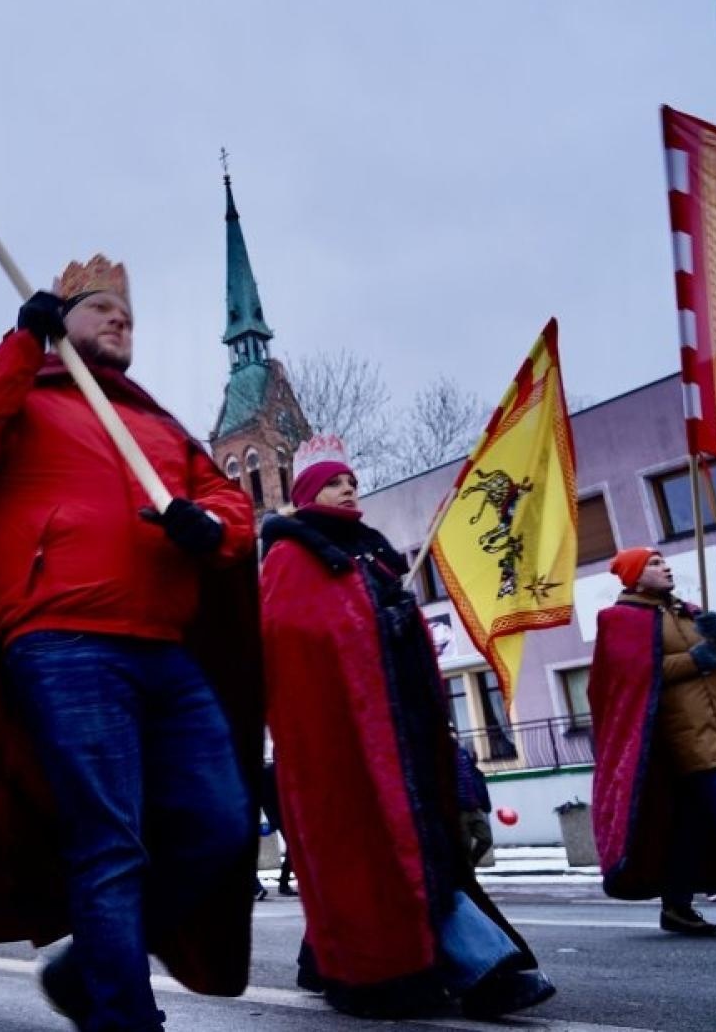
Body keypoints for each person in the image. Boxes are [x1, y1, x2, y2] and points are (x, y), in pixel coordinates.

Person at [0, 255, 263, 1032]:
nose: (119, 322)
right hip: (62, 642)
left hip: (164, 647)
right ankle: (123, 1016)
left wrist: (213, 527)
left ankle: (90, 962)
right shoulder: (23, 397)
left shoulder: (157, 424)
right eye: (101, 309)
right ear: (60, 318)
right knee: (109, 840)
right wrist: (18, 349)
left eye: (127, 316)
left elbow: (227, 502)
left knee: (224, 819)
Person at [260, 437, 554, 1020]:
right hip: (349, 745)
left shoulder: (372, 555)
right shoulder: (291, 558)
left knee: (402, 854)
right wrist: (375, 631)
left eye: (352, 479)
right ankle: (484, 970)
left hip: (405, 736)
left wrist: (399, 630)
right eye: (334, 480)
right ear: (306, 494)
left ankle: (331, 959)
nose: (350, 486)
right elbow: (295, 642)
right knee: (403, 855)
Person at [589, 547, 716, 936]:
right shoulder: (619, 620)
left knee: (687, 827)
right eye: (654, 563)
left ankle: (676, 907)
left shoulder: (689, 611)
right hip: (681, 739)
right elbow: (630, 676)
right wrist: (694, 659)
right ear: (636, 577)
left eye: (664, 560)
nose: (665, 566)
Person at [454, 742, 494, 869]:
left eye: (453, 732)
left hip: (474, 806)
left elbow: (475, 778)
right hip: (459, 810)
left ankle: (469, 867)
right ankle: (467, 876)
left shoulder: (463, 753)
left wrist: (483, 801)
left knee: (486, 838)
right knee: (464, 846)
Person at [261, 761, 296, 897]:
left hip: (289, 815)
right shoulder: (271, 773)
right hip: (282, 816)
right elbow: (266, 799)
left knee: (293, 849)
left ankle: (284, 882)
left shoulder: (283, 770)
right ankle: (284, 883)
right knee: (292, 849)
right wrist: (274, 820)